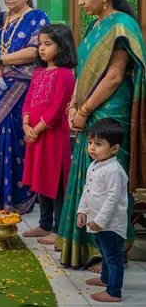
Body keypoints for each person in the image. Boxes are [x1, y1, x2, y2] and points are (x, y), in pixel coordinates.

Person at [57, 0, 146, 271]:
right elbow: (83, 74)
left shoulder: (121, 26)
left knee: (109, 188)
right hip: (89, 110)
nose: (80, 2)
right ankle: (88, 249)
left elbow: (114, 76)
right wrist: (72, 105)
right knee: (89, 182)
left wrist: (82, 111)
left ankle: (113, 255)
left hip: (110, 113)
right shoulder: (95, 27)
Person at [0, 0, 49, 213]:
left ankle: (17, 198)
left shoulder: (37, 18)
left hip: (21, 91)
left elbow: (34, 52)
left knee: (17, 142)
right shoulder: (0, 19)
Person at [21, 24, 77, 245]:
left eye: (48, 44)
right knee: (41, 178)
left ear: (61, 47)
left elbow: (56, 109)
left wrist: (37, 128)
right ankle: (44, 224)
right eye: (40, 44)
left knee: (57, 180)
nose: (41, 49)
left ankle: (58, 228)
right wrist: (26, 125)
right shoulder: (38, 72)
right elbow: (28, 100)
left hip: (52, 136)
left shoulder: (64, 75)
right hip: (35, 135)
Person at [77, 119, 129, 303]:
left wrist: (100, 221)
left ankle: (113, 291)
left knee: (113, 257)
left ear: (114, 149)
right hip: (96, 223)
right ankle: (105, 279)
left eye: (98, 144)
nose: (92, 148)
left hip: (110, 225)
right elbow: (87, 189)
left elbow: (112, 200)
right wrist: (82, 211)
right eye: (90, 142)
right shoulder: (95, 165)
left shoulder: (114, 170)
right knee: (105, 254)